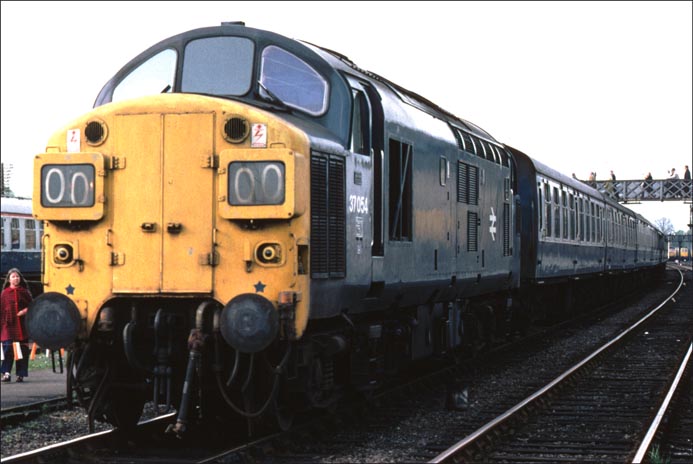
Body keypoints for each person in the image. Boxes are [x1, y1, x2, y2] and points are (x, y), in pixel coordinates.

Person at [1, 268, 33, 383]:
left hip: (22, 326)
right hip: (8, 326)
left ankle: (21, 374)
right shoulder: (4, 293)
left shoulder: (24, 292)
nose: (16, 278)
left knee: (22, 350)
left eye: (18, 276)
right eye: (13, 277)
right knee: (8, 348)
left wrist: (24, 311)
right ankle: (6, 373)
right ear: (9, 279)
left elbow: (32, 306)